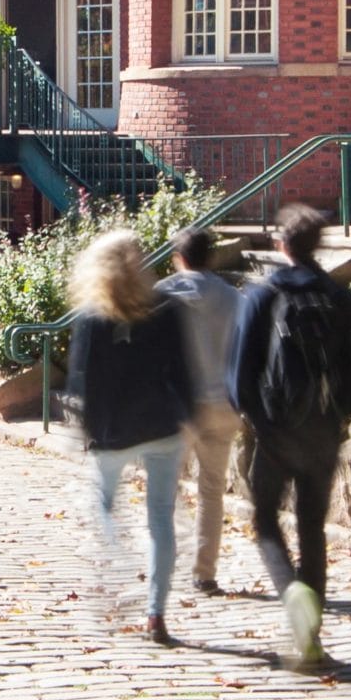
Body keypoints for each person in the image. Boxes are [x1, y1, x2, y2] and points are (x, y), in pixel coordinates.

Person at [227, 203, 351, 670]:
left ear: (281, 244)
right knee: (312, 529)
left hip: (275, 430)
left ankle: (291, 596)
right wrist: (341, 417)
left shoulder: (262, 295)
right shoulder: (340, 297)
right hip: (323, 430)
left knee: (266, 521)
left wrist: (254, 421)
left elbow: (241, 372)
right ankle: (312, 637)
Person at [66, 231, 193, 646]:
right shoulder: (167, 309)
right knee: (161, 522)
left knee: (101, 506)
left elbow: (83, 382)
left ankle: (115, 571)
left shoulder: (90, 316)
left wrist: (86, 433)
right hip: (161, 427)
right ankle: (156, 613)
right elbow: (183, 373)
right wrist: (188, 419)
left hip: (112, 432)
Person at [155, 226, 241, 594]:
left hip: (177, 407)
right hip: (222, 403)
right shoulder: (233, 298)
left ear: (178, 257)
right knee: (212, 491)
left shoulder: (161, 296)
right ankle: (204, 573)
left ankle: (162, 567)